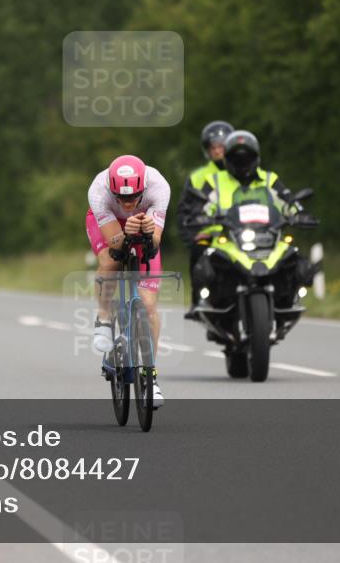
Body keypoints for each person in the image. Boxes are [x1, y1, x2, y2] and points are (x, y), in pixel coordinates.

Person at [189, 130, 316, 314]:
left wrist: (299, 213)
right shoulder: (215, 181)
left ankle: (290, 295)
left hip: (269, 234)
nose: (242, 162)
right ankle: (200, 299)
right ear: (227, 159)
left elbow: (288, 200)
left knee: (292, 254)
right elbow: (202, 204)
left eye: (246, 157)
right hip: (226, 236)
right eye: (236, 158)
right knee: (199, 247)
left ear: (256, 158)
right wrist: (200, 217)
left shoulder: (269, 179)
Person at [86, 155, 170, 407]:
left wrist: (147, 230)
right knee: (110, 263)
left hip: (144, 226)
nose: (128, 203)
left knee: (149, 306)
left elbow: (154, 243)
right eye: (121, 198)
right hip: (109, 225)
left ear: (143, 188)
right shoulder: (98, 190)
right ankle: (103, 317)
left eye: (133, 197)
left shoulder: (159, 186)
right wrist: (125, 232)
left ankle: (150, 377)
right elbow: (115, 245)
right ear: (112, 191)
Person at [176, 121, 233, 310]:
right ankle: (199, 298)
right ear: (207, 150)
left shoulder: (244, 171)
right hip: (212, 234)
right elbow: (185, 211)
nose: (217, 151)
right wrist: (192, 236)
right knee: (198, 249)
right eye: (213, 147)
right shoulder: (198, 177)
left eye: (221, 146)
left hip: (242, 230)